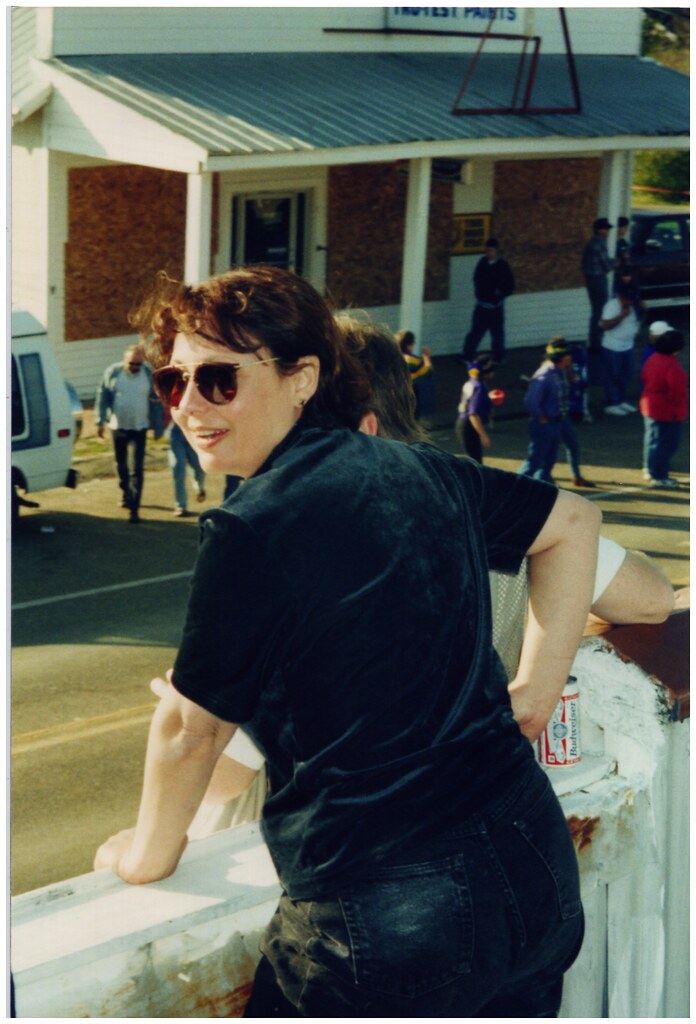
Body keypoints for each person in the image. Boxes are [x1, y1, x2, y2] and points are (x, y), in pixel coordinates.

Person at [94, 265, 600, 1017]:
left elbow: (191, 727)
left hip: (390, 911)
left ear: (303, 378)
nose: (190, 405)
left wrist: (143, 855)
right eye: (173, 383)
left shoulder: (251, 527)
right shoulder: (424, 469)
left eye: (219, 380)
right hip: (532, 870)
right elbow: (572, 525)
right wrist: (533, 691)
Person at [94, 344, 163, 522]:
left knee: (137, 469)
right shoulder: (113, 373)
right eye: (131, 364)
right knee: (121, 466)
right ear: (125, 361)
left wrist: (158, 426)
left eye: (138, 364)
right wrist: (100, 421)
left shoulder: (148, 375)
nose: (134, 367)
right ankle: (125, 491)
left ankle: (134, 509)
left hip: (139, 428)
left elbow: (156, 401)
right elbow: (102, 396)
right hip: (118, 427)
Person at [640, 328, 688, 489]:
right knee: (666, 444)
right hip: (667, 410)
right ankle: (659, 475)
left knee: (652, 440)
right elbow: (676, 390)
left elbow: (645, 376)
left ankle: (649, 468)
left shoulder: (653, 358)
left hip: (650, 404)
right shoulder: (671, 364)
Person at [518, 339, 572, 482]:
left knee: (549, 460)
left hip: (556, 422)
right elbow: (531, 400)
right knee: (535, 460)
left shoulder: (560, 372)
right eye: (568, 355)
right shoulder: (545, 374)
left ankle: (543, 487)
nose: (570, 358)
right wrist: (541, 417)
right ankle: (513, 488)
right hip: (544, 424)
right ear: (562, 357)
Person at [462, 237, 515, 364]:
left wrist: (500, 293)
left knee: (497, 334)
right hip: (482, 306)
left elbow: (510, 284)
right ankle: (467, 356)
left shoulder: (503, 266)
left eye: (491, 250)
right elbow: (477, 280)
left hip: (496, 307)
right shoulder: (482, 263)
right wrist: (482, 292)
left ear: (496, 251)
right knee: (475, 332)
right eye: (487, 250)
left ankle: (499, 357)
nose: (488, 253)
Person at [599, 279, 642, 416]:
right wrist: (621, 317)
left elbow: (640, 319)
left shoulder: (634, 304)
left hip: (628, 345)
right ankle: (611, 403)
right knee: (613, 375)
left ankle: (620, 399)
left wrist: (643, 310)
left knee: (626, 374)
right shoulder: (611, 306)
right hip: (613, 347)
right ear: (619, 296)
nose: (628, 301)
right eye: (626, 299)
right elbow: (604, 325)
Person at [581, 217, 613, 353]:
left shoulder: (591, 242)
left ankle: (594, 340)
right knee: (600, 310)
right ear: (600, 230)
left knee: (596, 310)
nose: (608, 232)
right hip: (598, 278)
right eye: (606, 229)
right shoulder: (600, 243)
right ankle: (596, 342)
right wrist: (617, 262)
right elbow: (606, 266)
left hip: (590, 279)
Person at [455, 359, 495, 463]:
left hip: (462, 423)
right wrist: (483, 435)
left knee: (473, 461)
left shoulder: (471, 382)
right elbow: (473, 414)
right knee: (476, 462)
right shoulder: (479, 387)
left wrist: (488, 398)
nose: (492, 374)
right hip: (469, 427)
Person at [395, 328, 435, 419]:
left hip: (394, 393)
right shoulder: (413, 360)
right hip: (410, 394)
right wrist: (426, 356)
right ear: (409, 345)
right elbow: (428, 371)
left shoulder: (392, 357)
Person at [168, 422, 206, 517]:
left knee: (199, 468)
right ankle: (181, 505)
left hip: (193, 432)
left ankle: (199, 487)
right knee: (178, 468)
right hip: (176, 433)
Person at [613, 215, 631, 288]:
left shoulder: (623, 242)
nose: (626, 230)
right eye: (624, 227)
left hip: (622, 277)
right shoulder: (612, 243)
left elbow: (626, 260)